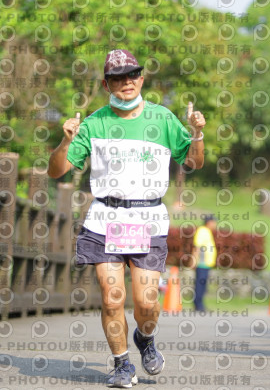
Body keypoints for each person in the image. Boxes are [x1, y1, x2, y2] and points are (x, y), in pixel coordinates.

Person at [48, 49, 206, 388]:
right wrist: (65, 142)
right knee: (111, 296)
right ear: (107, 84)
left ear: (142, 78)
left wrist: (197, 134)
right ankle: (121, 365)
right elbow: (56, 171)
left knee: (147, 303)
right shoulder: (94, 123)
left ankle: (145, 338)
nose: (127, 82)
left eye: (132, 74)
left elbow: (194, 162)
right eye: (118, 78)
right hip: (105, 217)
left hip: (148, 218)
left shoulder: (162, 119)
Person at [192, 215, 217, 312]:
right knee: (200, 284)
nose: (215, 224)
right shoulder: (202, 231)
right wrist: (194, 259)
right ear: (209, 222)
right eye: (214, 222)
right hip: (202, 262)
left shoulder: (207, 231)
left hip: (206, 263)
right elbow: (197, 246)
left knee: (203, 284)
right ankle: (198, 304)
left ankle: (200, 303)